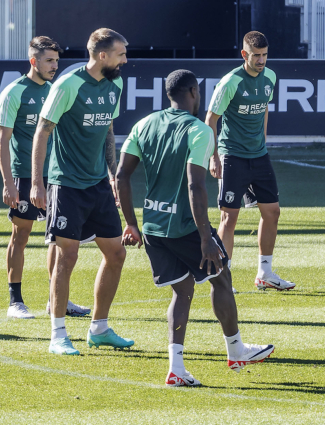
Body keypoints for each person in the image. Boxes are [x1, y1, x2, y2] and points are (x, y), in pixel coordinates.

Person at [115, 70, 275, 387]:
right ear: (193, 91)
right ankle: (236, 350)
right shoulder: (199, 131)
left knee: (183, 290)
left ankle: (176, 368)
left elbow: (120, 176)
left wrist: (131, 224)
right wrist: (206, 237)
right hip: (186, 227)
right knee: (222, 278)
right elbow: (195, 186)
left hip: (153, 228)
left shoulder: (144, 125)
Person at [31, 28, 131, 356]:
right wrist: (37, 182)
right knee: (67, 257)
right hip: (66, 184)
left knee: (116, 254)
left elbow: (108, 131)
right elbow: (43, 131)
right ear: (102, 56)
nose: (125, 60)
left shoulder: (115, 83)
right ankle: (58, 334)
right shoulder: (69, 84)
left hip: (98, 184)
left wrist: (114, 176)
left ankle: (99, 329)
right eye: (120, 54)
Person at [0, 36, 88, 321]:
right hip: (24, 175)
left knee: (60, 238)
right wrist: (8, 183)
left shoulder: (54, 91)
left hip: (57, 176)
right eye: (49, 60)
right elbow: (2, 139)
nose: (55, 66)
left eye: (57, 61)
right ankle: (15, 301)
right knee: (20, 235)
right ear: (33, 61)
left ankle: (56, 300)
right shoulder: (14, 92)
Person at [206, 32, 293, 292]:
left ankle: (264, 273)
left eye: (265, 55)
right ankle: (223, 276)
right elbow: (211, 119)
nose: (262, 60)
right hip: (232, 156)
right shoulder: (230, 82)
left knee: (272, 212)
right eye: (256, 55)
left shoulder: (270, 77)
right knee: (228, 218)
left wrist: (263, 142)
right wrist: (214, 157)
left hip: (259, 156)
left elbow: (264, 108)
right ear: (244, 54)